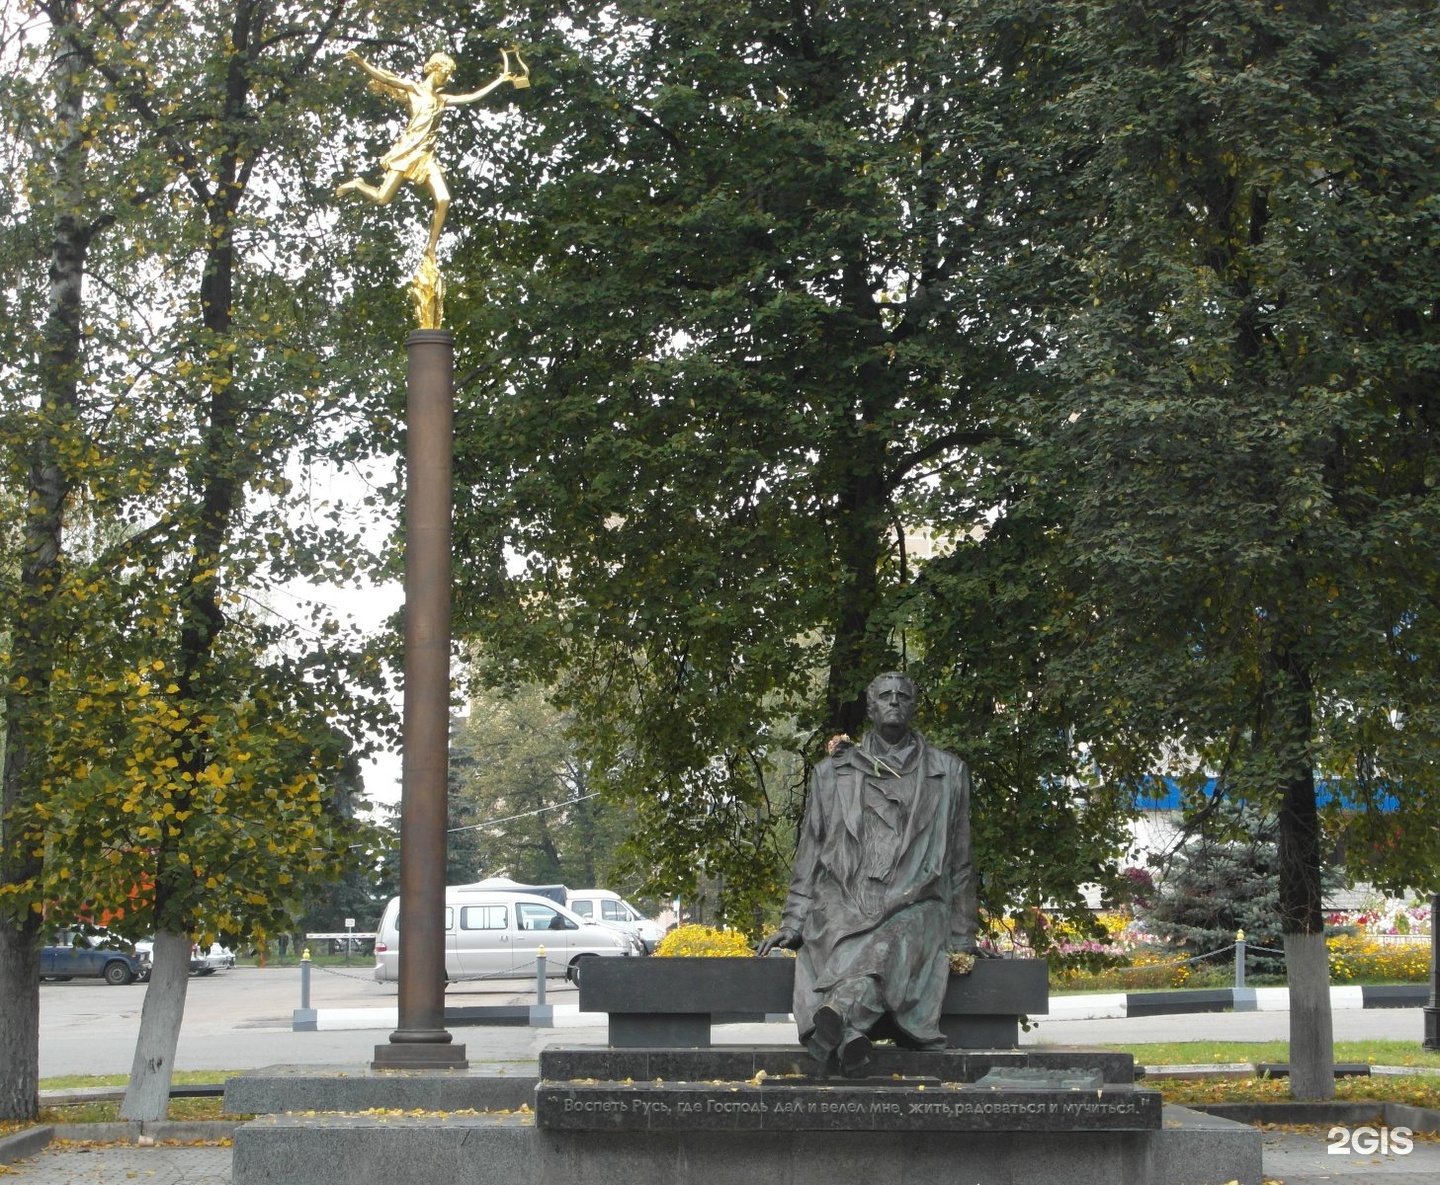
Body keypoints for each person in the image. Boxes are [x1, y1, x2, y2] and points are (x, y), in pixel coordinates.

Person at [757, 672, 976, 1075]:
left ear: (913, 707)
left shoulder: (948, 772)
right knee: (865, 939)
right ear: (871, 707)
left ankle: (841, 1013)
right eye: (885, 696)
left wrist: (963, 937)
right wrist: (793, 921)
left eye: (903, 696)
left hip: (917, 900)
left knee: (891, 939)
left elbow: (960, 860)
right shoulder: (830, 774)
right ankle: (849, 1031)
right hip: (844, 902)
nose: (894, 701)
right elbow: (810, 850)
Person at [336, 48, 528, 260]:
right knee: (382, 199)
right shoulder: (414, 89)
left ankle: (431, 248)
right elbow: (386, 77)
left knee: (444, 198)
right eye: (447, 73)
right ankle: (358, 184)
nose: (449, 78)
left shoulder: (442, 99)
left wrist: (500, 80)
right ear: (436, 70)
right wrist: (361, 61)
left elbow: (471, 97)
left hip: (426, 158)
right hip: (408, 153)